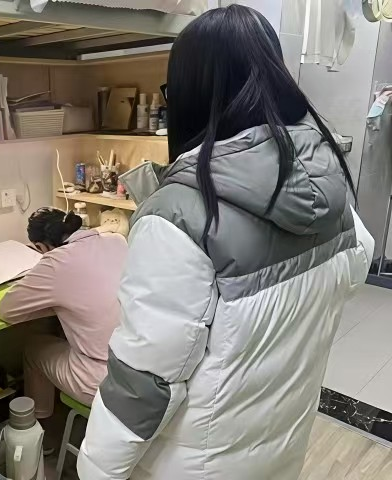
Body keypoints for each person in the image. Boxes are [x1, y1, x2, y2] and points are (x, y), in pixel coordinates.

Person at [77, 5, 374, 480]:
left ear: (190, 94)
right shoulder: (326, 177)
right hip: (283, 446)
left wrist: (95, 470)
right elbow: (358, 265)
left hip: (195, 466)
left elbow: (145, 382)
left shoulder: (179, 216)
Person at [0, 207, 127, 421]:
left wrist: (55, 302)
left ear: (41, 247)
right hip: (139, 368)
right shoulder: (117, 241)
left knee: (33, 348)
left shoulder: (56, 261)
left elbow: (7, 311)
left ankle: (38, 423)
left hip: (102, 380)